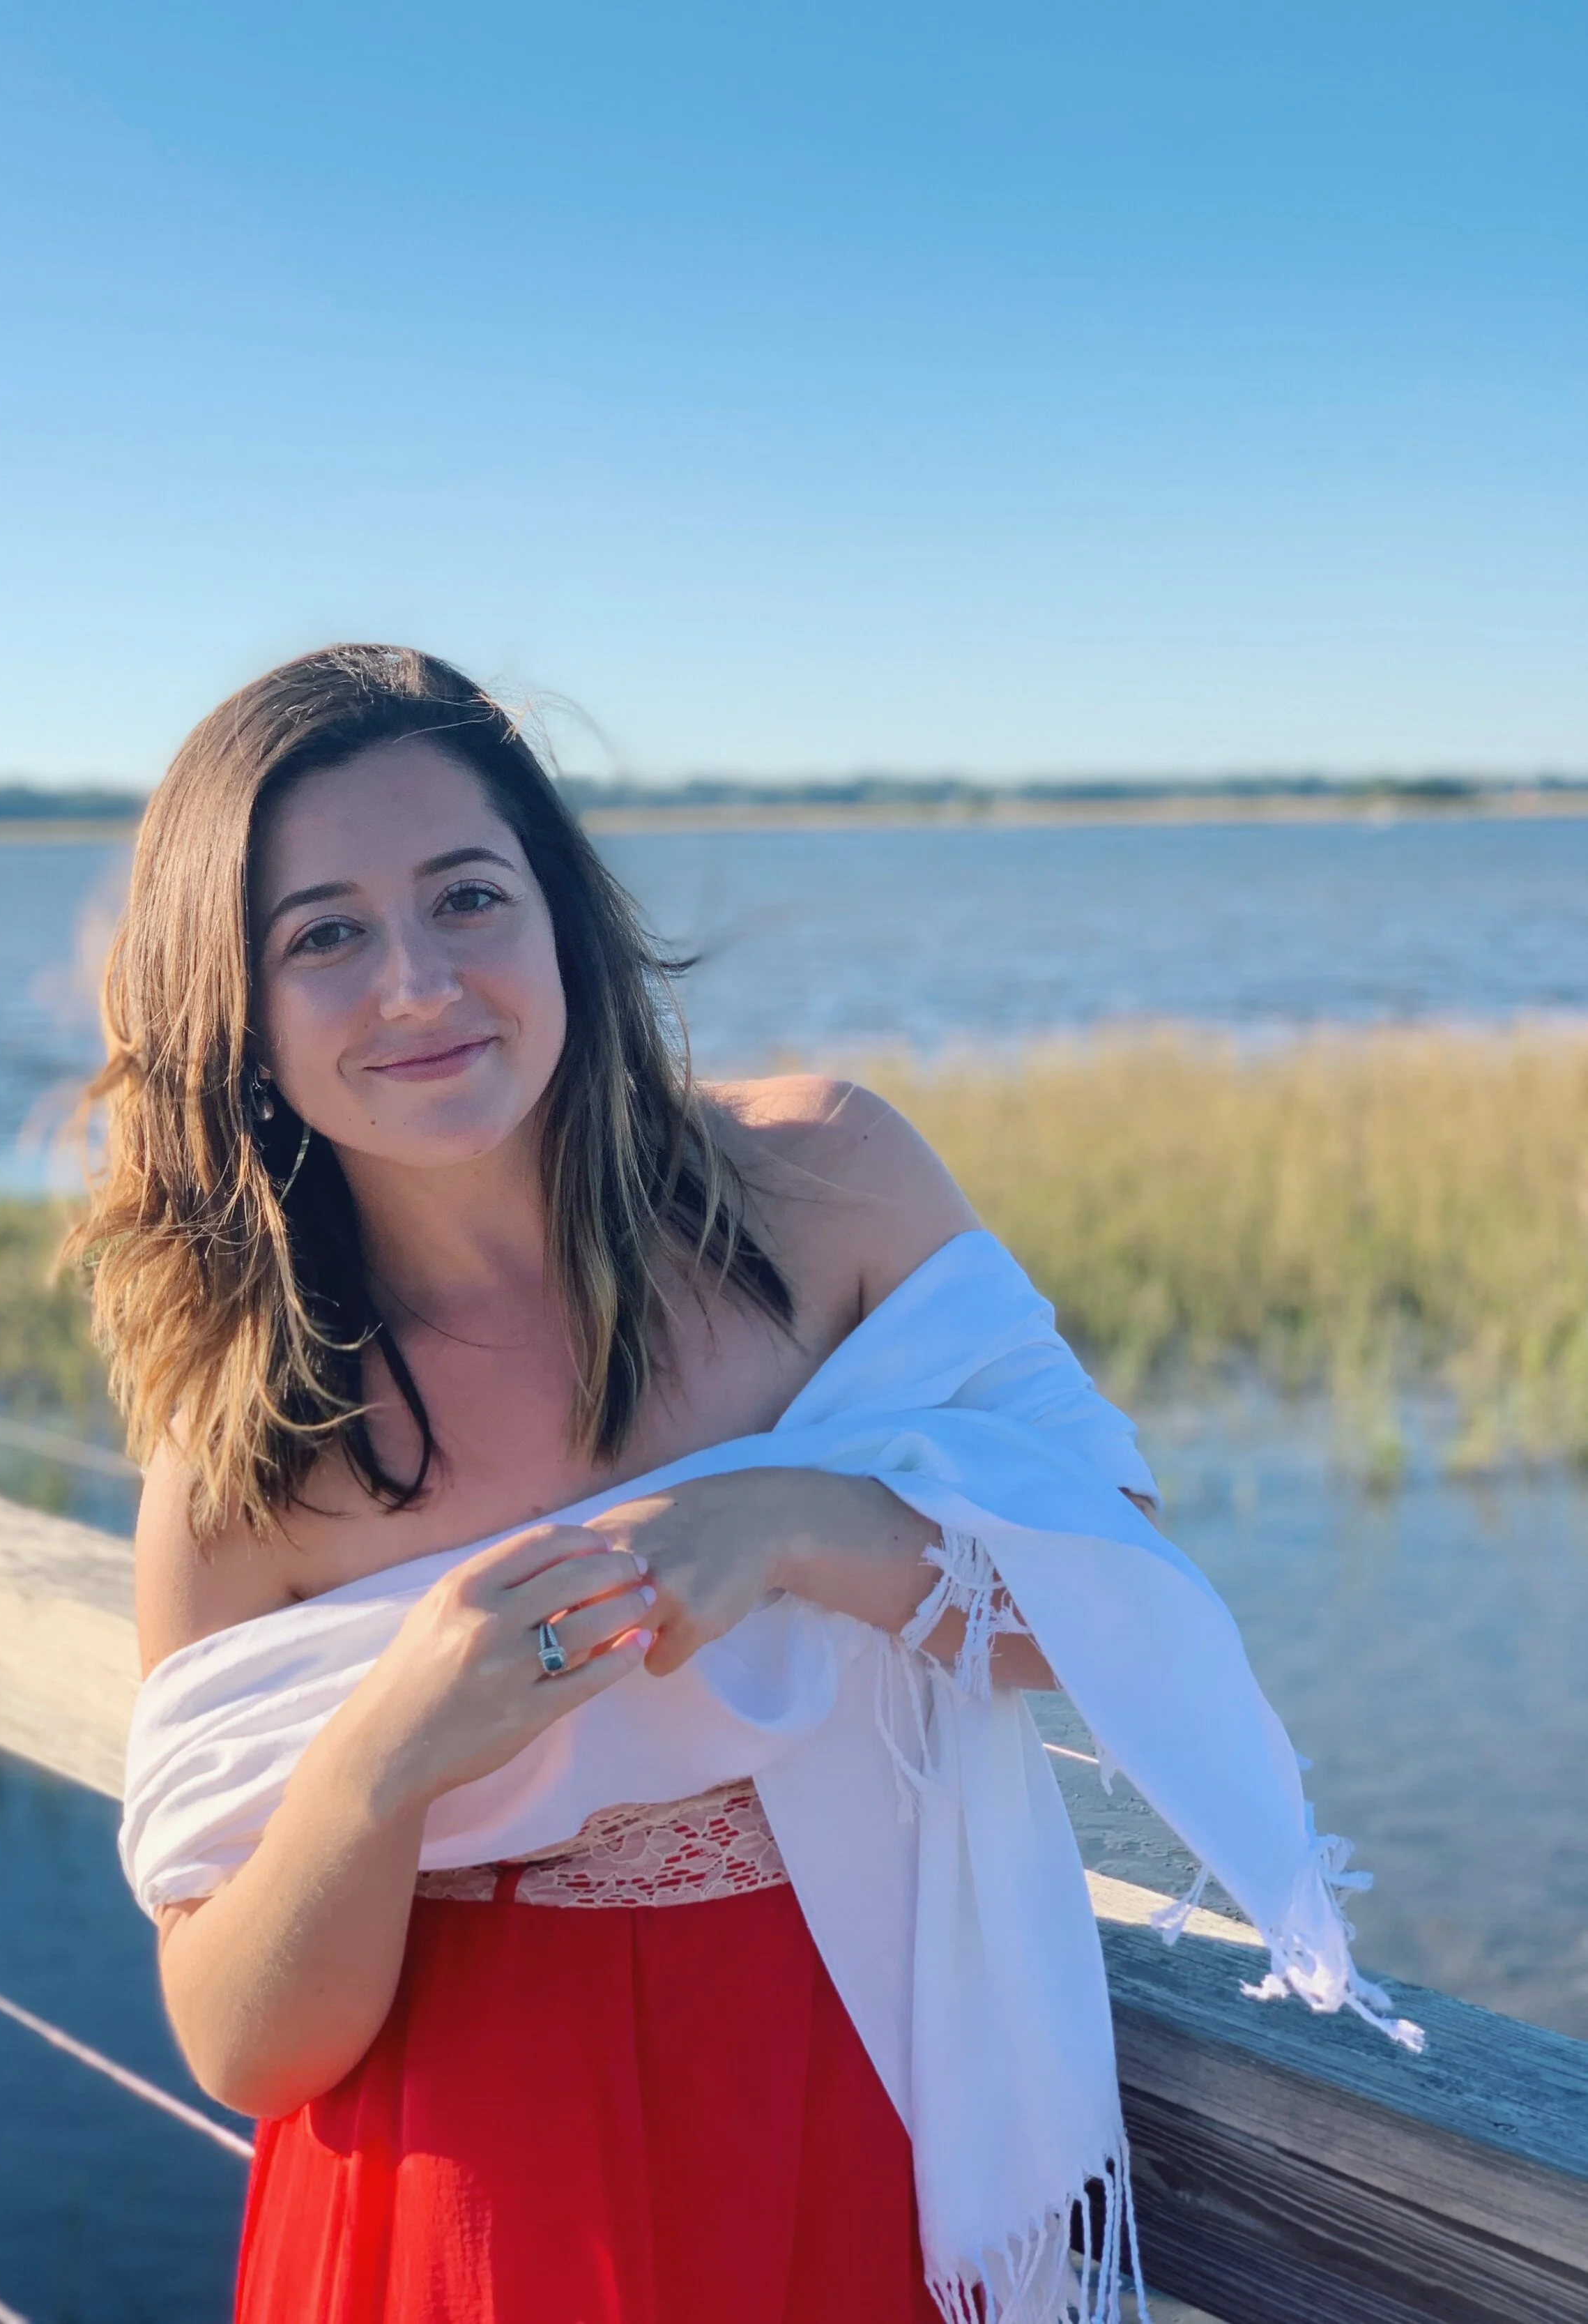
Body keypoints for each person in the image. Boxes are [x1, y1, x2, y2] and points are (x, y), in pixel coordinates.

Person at [87, 645, 1408, 2324]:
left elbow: (1107, 1611)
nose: (418, 983)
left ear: (561, 915)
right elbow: (240, 2041)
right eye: (322, 935)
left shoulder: (829, 1187)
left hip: (853, 2091)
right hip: (471, 2187)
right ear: (234, 1010)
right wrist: (384, 1752)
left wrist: (791, 1525)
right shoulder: (248, 1450)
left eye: (467, 896)